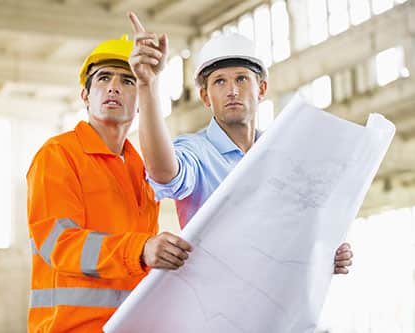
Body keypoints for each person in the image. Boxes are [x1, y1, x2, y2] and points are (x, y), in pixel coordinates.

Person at [127, 12, 353, 274]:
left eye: (242, 79)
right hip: (215, 305)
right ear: (205, 96)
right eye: (219, 81)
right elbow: (165, 173)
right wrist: (147, 85)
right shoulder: (196, 153)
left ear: (262, 88)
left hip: (278, 304)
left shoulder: (284, 155)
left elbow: (293, 231)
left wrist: (321, 254)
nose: (232, 90)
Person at [26, 34, 192, 332]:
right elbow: (59, 244)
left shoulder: (140, 169)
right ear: (85, 96)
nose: (114, 86)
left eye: (128, 81)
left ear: (141, 100)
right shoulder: (58, 155)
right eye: (103, 78)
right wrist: (140, 250)